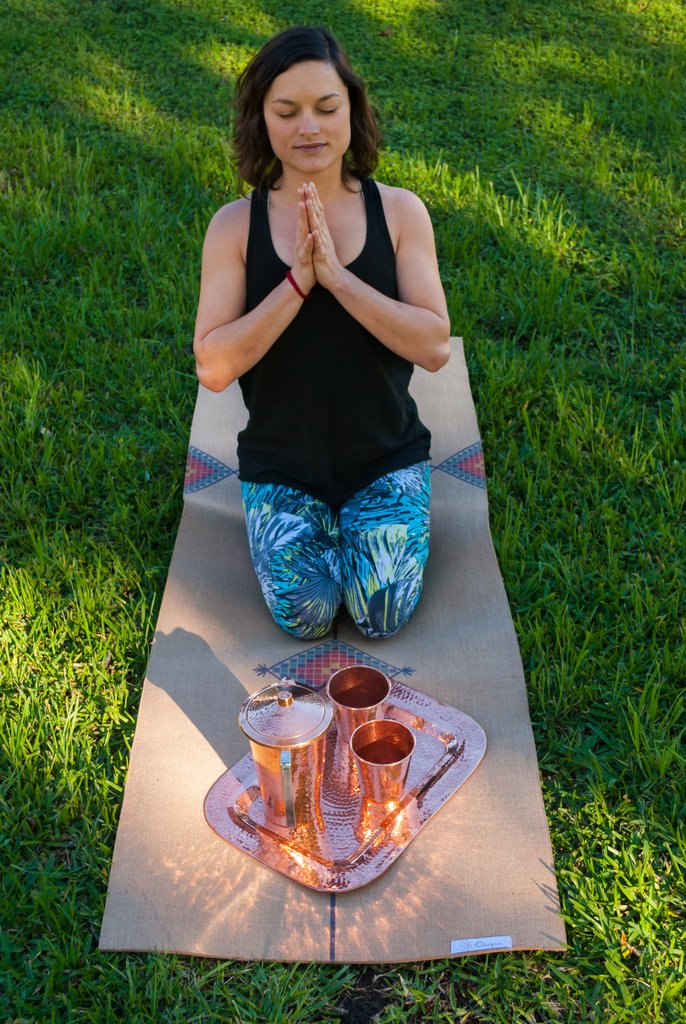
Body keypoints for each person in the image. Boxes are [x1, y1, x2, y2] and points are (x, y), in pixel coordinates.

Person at [193, 26, 450, 641]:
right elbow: (214, 366)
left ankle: (359, 529)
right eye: (287, 111)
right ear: (263, 120)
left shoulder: (400, 212)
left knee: (380, 614)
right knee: (305, 615)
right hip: (282, 464)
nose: (308, 127)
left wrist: (338, 279)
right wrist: (297, 284)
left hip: (384, 456)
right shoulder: (233, 226)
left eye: (326, 108)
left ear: (352, 114)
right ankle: (317, 532)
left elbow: (435, 346)